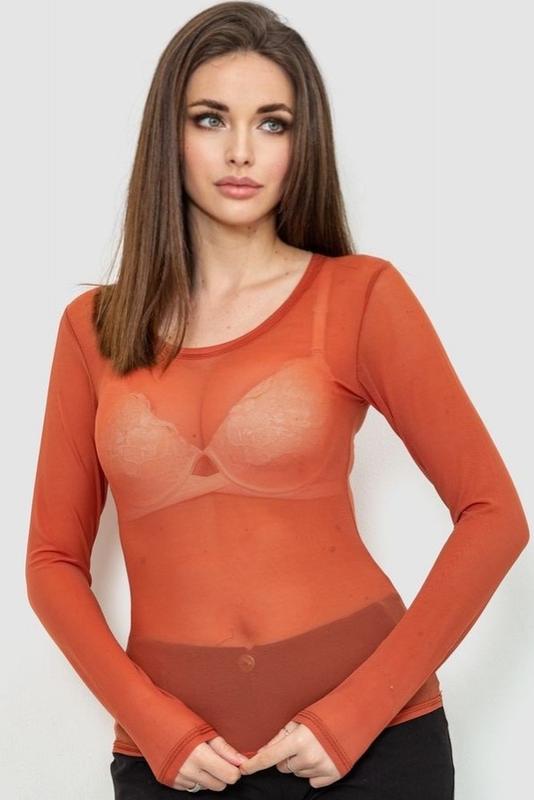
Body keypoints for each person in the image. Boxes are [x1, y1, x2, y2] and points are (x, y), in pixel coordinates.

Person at [26, 2, 529, 798]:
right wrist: (154, 726)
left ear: (303, 142)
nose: (240, 150)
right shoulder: (93, 328)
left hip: (371, 755)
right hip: (175, 768)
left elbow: (495, 514)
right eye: (210, 119)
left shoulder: (360, 296)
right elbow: (52, 563)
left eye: (272, 123)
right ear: (169, 136)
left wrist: (356, 714)